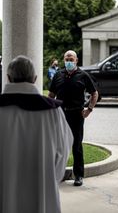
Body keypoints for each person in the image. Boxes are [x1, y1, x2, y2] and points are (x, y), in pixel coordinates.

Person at [0, 55, 73, 213]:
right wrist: (51, 175)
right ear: (35, 78)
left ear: (8, 78)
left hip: (2, 181)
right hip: (41, 182)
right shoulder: (53, 111)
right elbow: (63, 147)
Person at [48, 50, 98, 186]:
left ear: (76, 60)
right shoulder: (58, 74)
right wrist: (49, 110)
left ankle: (79, 175)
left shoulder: (83, 75)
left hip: (77, 114)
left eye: (71, 59)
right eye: (66, 59)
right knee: (59, 145)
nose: (69, 62)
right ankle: (56, 173)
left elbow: (94, 93)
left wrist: (90, 109)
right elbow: (51, 95)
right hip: (61, 114)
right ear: (64, 60)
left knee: (76, 145)